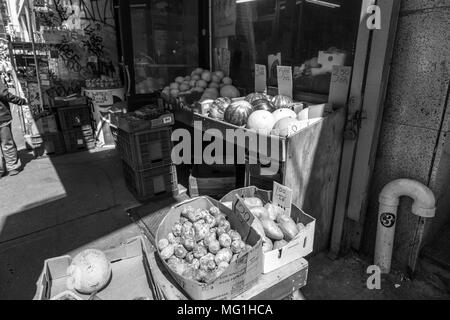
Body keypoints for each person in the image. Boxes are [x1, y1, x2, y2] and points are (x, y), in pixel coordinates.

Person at [0, 77, 27, 178]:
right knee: (7, 142)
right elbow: (4, 94)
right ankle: (12, 167)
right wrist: (21, 101)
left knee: (6, 142)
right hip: (1, 116)